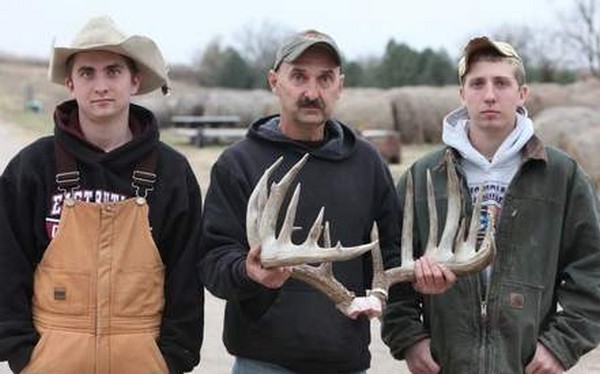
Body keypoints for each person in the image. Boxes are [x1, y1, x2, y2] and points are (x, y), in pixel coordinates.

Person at [199, 29, 454, 374]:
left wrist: (412, 283)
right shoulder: (238, 163)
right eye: (299, 77)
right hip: (263, 363)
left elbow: (391, 252)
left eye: (325, 78)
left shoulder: (367, 163)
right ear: (275, 81)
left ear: (340, 85)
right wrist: (249, 271)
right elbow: (213, 261)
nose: (311, 92)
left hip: (344, 362)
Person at [382, 36, 600, 374]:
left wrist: (561, 345)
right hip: (448, 363)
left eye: (501, 83)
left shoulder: (561, 175)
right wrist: (409, 337)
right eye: (477, 84)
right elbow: (391, 266)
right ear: (462, 94)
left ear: (522, 93)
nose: (489, 95)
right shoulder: (423, 177)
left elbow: (593, 268)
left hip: (526, 365)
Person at [0, 16, 203, 373]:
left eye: (113, 72)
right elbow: (7, 264)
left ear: (134, 81)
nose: (101, 85)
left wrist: (172, 359)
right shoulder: (31, 168)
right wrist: (20, 351)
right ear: (70, 84)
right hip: (51, 361)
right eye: (87, 73)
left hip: (143, 363)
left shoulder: (172, 173)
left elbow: (186, 276)